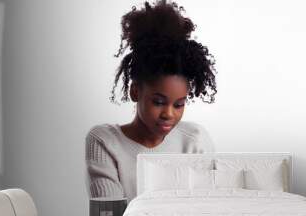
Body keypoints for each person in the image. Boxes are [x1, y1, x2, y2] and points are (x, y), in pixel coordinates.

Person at [85, 0, 217, 202]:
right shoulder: (105, 142)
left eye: (179, 104)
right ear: (135, 91)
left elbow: (207, 211)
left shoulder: (194, 140)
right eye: (158, 102)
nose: (169, 114)